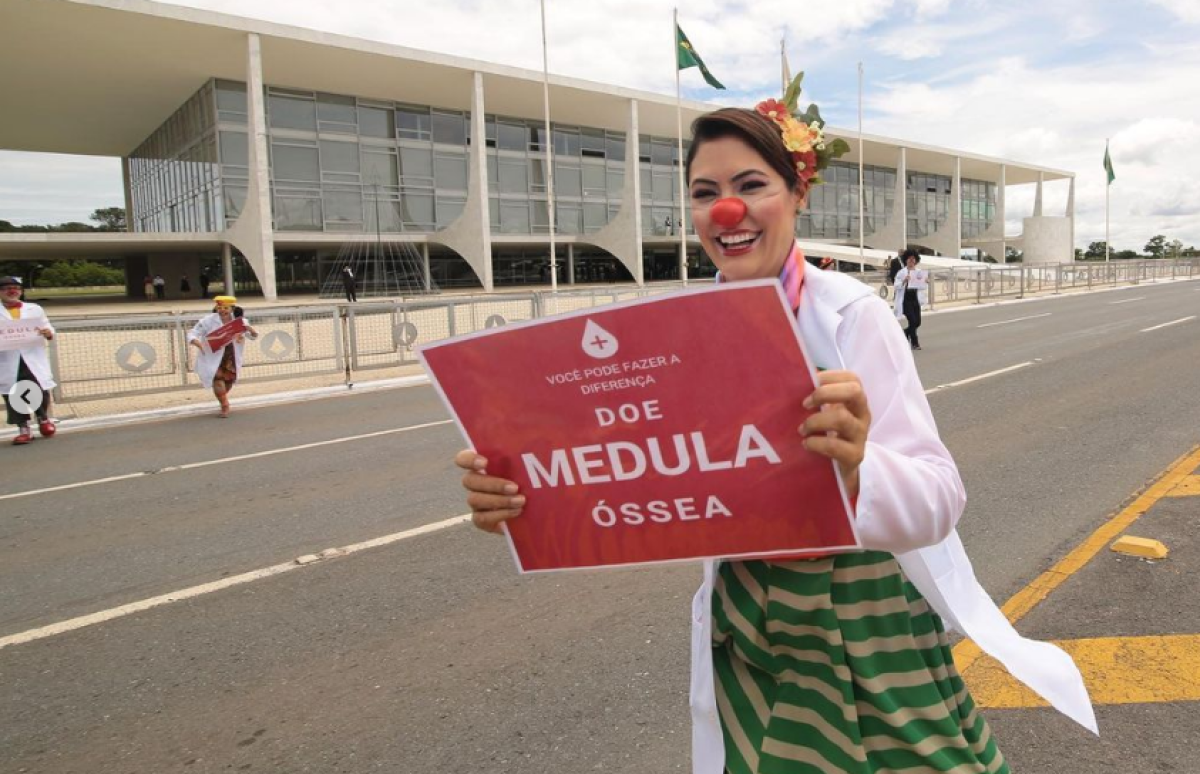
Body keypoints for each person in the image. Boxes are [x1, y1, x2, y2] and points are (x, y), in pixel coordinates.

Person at [453, 94, 1094, 773]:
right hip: (752, 629)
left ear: (796, 195)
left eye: (751, 185)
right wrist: (523, 496)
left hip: (860, 626)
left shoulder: (852, 317)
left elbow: (939, 498)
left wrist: (855, 468)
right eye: (706, 193)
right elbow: (631, 464)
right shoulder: (683, 331)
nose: (726, 210)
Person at [1, 276, 57, 445]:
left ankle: (43, 419)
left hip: (31, 356)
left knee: (38, 388)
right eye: (7, 288)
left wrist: (48, 332)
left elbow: (47, 325)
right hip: (7, 359)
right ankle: (24, 428)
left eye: (16, 288)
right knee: (13, 393)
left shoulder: (34, 309)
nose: (12, 291)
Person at [187, 295, 258, 418]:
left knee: (228, 381)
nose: (222, 310)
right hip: (212, 356)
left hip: (231, 356)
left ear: (232, 308)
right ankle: (225, 405)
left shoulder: (240, 321)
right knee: (217, 379)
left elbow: (252, 336)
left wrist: (250, 330)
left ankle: (222, 398)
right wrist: (197, 342)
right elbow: (193, 333)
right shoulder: (207, 321)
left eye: (226, 307)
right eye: (219, 307)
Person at [893, 248, 929, 350]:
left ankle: (905, 333)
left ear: (916, 261)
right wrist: (904, 281)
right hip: (905, 300)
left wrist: (925, 281)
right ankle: (915, 343)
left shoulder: (919, 272)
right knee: (912, 321)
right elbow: (896, 286)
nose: (911, 261)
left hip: (915, 299)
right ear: (906, 260)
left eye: (913, 259)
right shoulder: (901, 272)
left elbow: (922, 287)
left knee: (917, 322)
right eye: (909, 259)